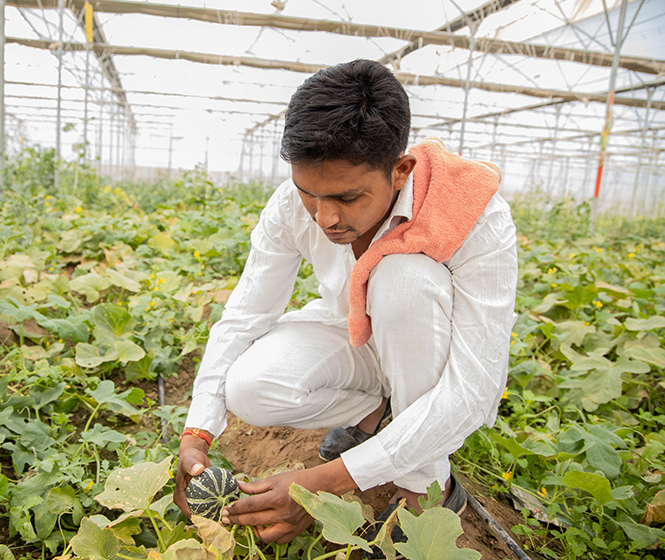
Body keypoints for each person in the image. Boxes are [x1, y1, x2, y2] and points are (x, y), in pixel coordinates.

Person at [173, 59, 518, 550]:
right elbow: (246, 315)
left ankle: (429, 488)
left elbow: (475, 389)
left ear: (400, 171)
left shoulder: (475, 215)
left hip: (432, 351)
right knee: (250, 387)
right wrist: (199, 431)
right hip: (353, 335)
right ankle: (381, 411)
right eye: (308, 193)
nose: (325, 217)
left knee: (403, 277)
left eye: (347, 198)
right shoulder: (294, 206)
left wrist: (330, 479)